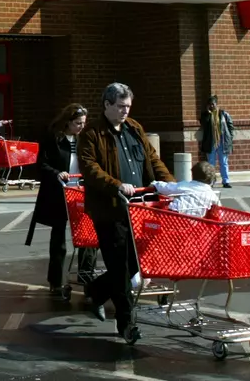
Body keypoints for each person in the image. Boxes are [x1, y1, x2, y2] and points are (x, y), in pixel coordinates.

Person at [78, 82, 174, 336]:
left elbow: (153, 159)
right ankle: (126, 323)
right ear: (107, 105)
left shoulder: (134, 129)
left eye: (128, 106)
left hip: (140, 208)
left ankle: (96, 291)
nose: (125, 111)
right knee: (120, 266)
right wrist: (117, 185)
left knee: (136, 264)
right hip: (110, 210)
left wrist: (171, 186)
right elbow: (90, 169)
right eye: (120, 106)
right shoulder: (92, 134)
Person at [24, 103, 95, 296]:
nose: (81, 126)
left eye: (83, 123)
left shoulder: (85, 140)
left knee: (88, 236)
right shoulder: (54, 138)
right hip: (59, 193)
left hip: (80, 191)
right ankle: (56, 281)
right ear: (68, 121)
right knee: (59, 238)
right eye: (78, 123)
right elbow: (42, 165)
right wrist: (57, 173)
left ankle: (86, 275)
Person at [151, 161, 221, 218]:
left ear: (192, 175)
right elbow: (220, 213)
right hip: (197, 223)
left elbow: (168, 188)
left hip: (176, 218)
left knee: (155, 214)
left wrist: (155, 184)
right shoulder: (213, 196)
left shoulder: (186, 185)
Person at [199, 95, 234, 189]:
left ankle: (225, 181)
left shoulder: (223, 114)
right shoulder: (205, 115)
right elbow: (204, 124)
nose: (211, 106)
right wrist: (208, 113)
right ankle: (211, 181)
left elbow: (230, 126)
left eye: (213, 104)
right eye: (209, 104)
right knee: (211, 163)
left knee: (224, 162)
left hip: (222, 141)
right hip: (211, 142)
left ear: (216, 104)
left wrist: (230, 138)